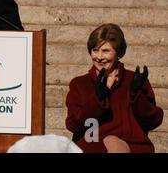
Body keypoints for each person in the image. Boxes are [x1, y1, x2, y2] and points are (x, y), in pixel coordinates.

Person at [65, 23, 163, 153]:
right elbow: (73, 125)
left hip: (133, 146)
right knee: (110, 142)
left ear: (119, 53)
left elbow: (153, 121)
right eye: (95, 50)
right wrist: (97, 100)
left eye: (105, 51)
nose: (99, 57)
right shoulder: (80, 84)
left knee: (114, 144)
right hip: (93, 146)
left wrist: (136, 96)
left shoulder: (134, 80)